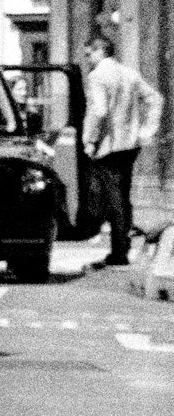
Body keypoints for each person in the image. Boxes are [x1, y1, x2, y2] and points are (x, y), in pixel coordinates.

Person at [82, 31, 163, 267]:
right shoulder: (129, 73)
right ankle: (120, 247)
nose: (88, 59)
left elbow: (99, 111)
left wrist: (91, 140)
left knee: (112, 197)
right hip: (130, 144)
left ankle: (119, 252)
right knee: (122, 195)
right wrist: (146, 131)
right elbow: (155, 99)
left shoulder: (97, 76)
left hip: (108, 145)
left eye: (89, 54)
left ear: (100, 51)